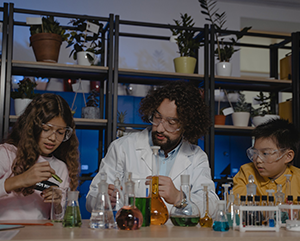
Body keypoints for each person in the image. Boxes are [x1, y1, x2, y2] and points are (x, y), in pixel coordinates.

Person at [86, 81, 219, 218]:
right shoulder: (123, 147)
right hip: (132, 234)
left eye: (171, 123)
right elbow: (90, 199)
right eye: (157, 117)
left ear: (187, 124)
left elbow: (212, 205)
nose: (160, 128)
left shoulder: (196, 156)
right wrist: (103, 199)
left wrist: (180, 198)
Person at [0, 93, 80, 220]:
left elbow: (59, 221)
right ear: (32, 127)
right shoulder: (7, 154)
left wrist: (57, 205)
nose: (53, 138)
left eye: (60, 132)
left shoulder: (61, 168)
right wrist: (21, 180)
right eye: (46, 129)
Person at [233, 118, 300, 200]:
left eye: (265, 153)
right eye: (255, 153)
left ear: (288, 156)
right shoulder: (246, 173)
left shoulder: (297, 179)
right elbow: (236, 206)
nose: (258, 160)